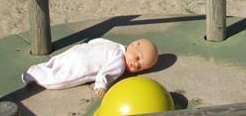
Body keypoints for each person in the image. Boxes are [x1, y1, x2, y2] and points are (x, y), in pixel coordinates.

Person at [22, 38, 158, 96]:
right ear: (135, 44)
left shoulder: (114, 45)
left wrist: (87, 46)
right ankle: (33, 76)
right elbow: (105, 73)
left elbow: (97, 41)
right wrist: (101, 86)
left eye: (139, 67)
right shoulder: (120, 63)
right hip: (82, 65)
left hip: (79, 50)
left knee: (57, 61)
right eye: (137, 58)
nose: (135, 65)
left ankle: (35, 69)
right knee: (59, 80)